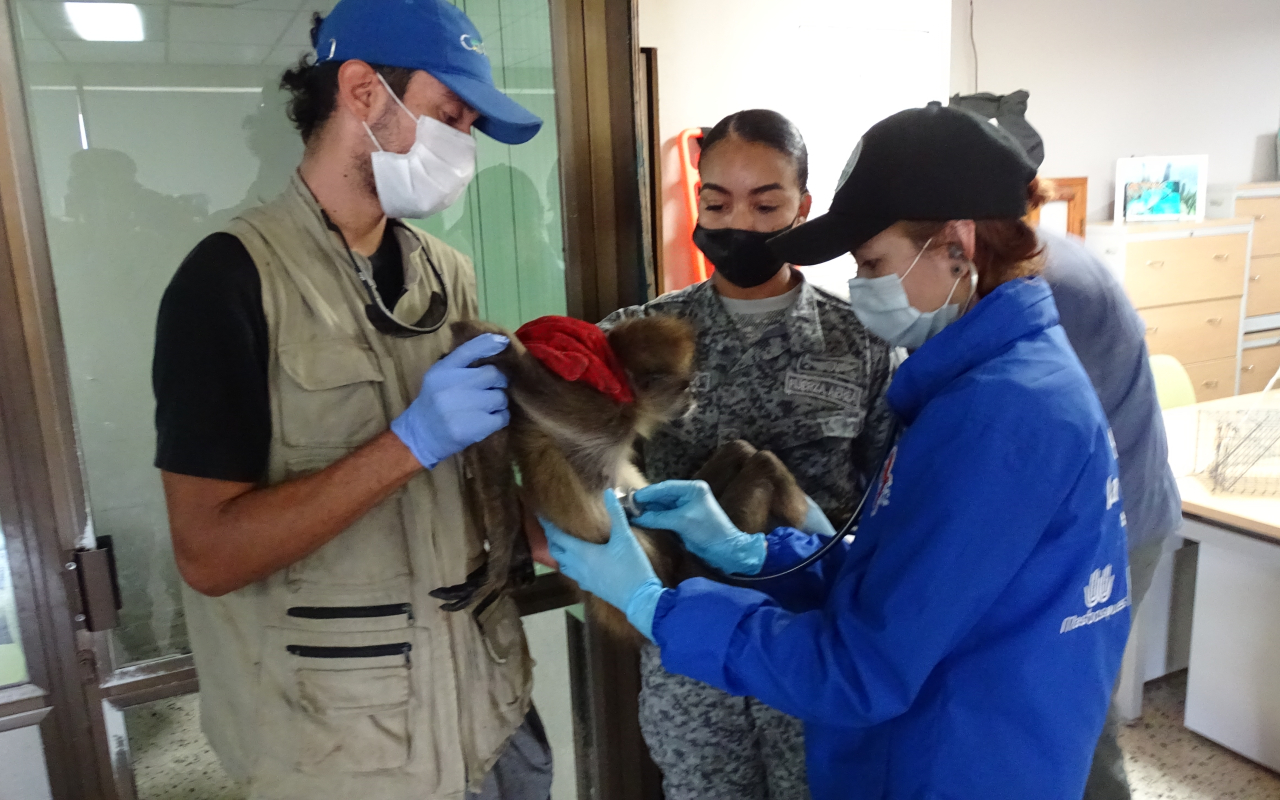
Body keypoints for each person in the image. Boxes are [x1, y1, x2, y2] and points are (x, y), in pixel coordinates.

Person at [542, 103, 1132, 800]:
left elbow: (863, 667)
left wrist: (655, 605)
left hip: (943, 750)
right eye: (717, 200)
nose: (863, 281)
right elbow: (898, 568)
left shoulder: (998, 415)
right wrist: (757, 554)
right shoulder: (993, 386)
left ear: (957, 245)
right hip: (911, 719)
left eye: (873, 260)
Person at [150, 0, 552, 797]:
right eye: (450, 116)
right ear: (364, 91)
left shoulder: (448, 274)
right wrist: (406, 445)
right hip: (346, 744)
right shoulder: (228, 281)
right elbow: (210, 555)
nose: (461, 147)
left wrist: (560, 521)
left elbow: (463, 493)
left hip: (487, 709)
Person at [597, 109, 894, 800]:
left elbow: (889, 504)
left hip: (814, 652)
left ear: (803, 208)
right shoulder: (640, 340)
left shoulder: (861, 345)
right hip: (691, 661)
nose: (741, 224)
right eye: (717, 201)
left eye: (766, 204)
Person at [1035, 228, 1182, 800]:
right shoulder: (1035, 258)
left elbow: (1037, 435)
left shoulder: (1051, 283)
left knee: (1074, 709)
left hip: (1113, 527)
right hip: (1100, 515)